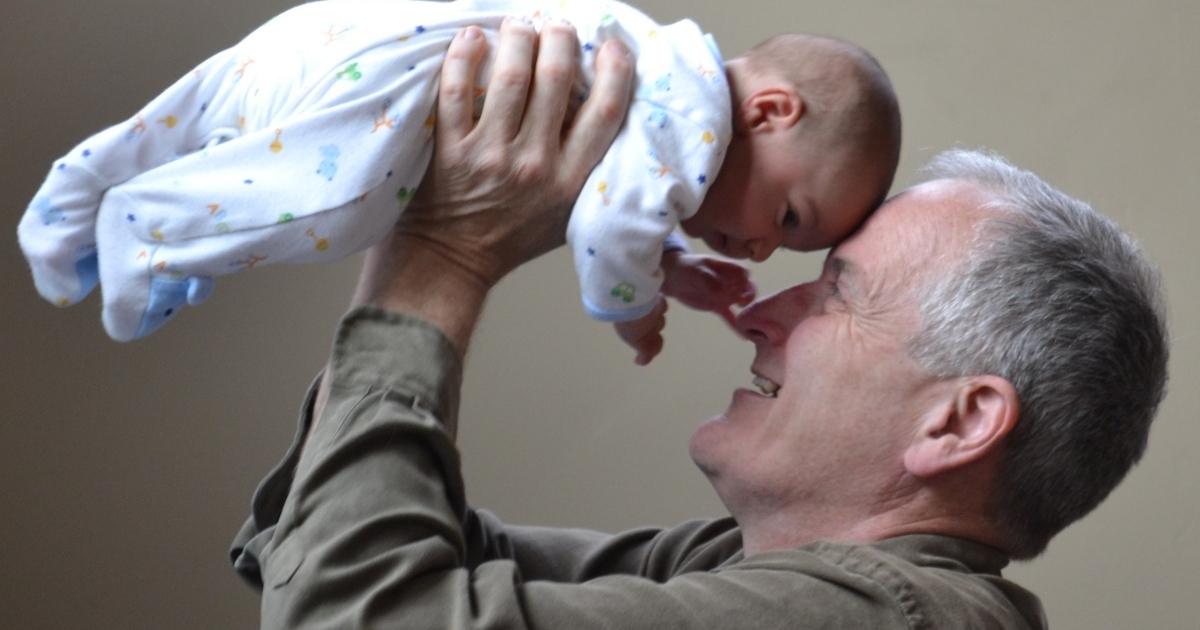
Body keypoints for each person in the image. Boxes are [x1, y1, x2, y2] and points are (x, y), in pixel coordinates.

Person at [228, 21, 1168, 629]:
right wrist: (435, 205)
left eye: (837, 291)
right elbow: (329, 537)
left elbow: (344, 607)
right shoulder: (743, 566)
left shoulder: (875, 617)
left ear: (957, 423)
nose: (759, 312)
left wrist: (444, 254)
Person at [16, 0, 900, 363]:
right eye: (789, 217)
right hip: (398, 90)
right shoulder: (691, 114)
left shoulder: (668, 67)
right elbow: (603, 234)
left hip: (345, 36)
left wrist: (673, 263)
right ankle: (148, 229)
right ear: (771, 111)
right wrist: (632, 305)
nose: (759, 247)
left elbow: (625, 195)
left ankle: (74, 209)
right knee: (337, 210)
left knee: (201, 118)